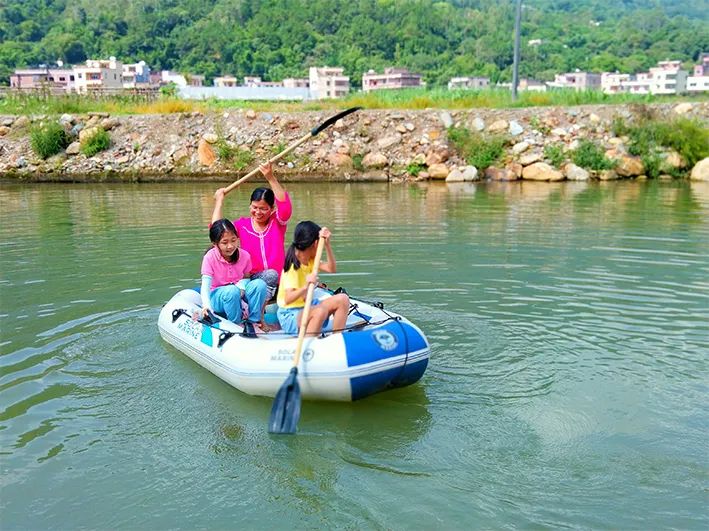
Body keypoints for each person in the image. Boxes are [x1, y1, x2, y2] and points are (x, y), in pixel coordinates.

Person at [211, 162, 292, 301]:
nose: (258, 212)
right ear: (250, 205)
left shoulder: (276, 222)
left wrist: (270, 177)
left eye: (263, 208)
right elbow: (216, 229)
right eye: (254, 207)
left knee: (275, 275)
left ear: (272, 209)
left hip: (278, 280)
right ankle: (255, 302)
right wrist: (219, 201)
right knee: (269, 275)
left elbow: (285, 208)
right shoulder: (242, 225)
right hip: (251, 279)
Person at [276, 221, 350, 336]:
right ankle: (310, 342)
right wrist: (306, 286)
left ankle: (338, 337)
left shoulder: (311, 260)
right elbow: (288, 298)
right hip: (290, 314)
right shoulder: (292, 267)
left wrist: (327, 245)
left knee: (342, 299)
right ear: (315, 244)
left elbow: (331, 269)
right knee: (319, 312)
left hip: (308, 306)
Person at [200, 218, 268, 335]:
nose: (230, 246)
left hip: (238, 292)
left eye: (233, 240)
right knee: (231, 291)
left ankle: (253, 321)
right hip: (218, 296)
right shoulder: (209, 258)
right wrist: (206, 306)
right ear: (215, 244)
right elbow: (205, 285)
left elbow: (246, 277)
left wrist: (241, 288)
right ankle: (236, 324)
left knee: (260, 284)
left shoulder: (245, 255)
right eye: (224, 242)